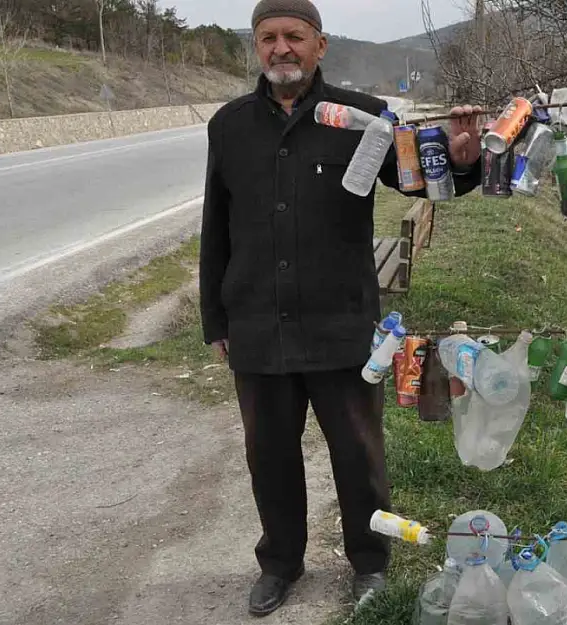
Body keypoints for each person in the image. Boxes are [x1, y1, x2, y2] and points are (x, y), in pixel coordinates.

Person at [199, 0, 482, 616]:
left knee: (358, 452)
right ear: (256, 47)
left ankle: (371, 563)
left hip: (342, 321)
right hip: (257, 321)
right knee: (268, 455)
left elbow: (415, 180)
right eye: (268, 38)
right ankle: (280, 563)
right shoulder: (229, 125)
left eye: (294, 37)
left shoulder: (365, 116)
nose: (281, 49)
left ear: (319, 45)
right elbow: (215, 227)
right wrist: (214, 320)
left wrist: (461, 164)